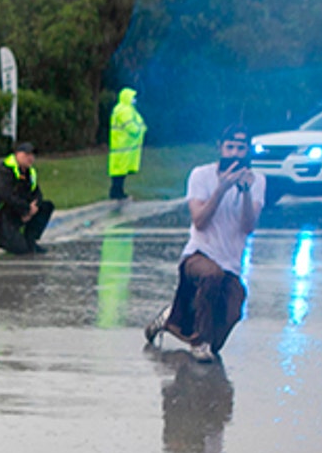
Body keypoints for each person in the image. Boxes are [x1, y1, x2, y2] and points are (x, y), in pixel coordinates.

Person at [145, 125, 265, 362]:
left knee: (233, 307)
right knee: (212, 276)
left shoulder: (258, 181)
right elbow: (199, 221)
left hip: (230, 262)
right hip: (198, 255)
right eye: (230, 147)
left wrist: (245, 192)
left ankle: (172, 318)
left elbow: (248, 227)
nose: (235, 154)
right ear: (220, 148)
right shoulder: (201, 175)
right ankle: (198, 341)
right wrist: (221, 189)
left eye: (241, 148)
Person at [0, 140, 53, 255]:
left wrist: (33, 207)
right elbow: (5, 196)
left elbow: (37, 193)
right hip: (2, 217)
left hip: (20, 213)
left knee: (46, 206)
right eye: (26, 155)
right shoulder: (5, 172)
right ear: (17, 155)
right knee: (21, 250)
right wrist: (26, 208)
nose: (30, 158)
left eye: (32, 155)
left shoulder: (30, 173)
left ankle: (30, 240)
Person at [108, 87, 146, 201]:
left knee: (120, 171)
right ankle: (116, 192)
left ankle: (117, 191)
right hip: (123, 146)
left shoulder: (125, 109)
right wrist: (139, 130)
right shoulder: (124, 110)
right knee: (119, 171)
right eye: (133, 97)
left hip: (123, 146)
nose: (134, 100)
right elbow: (131, 126)